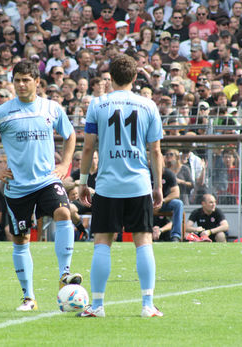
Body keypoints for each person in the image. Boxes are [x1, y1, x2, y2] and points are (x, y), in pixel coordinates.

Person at [0, 60, 82, 311]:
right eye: (17, 80)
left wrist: (65, 163)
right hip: (18, 187)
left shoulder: (51, 108)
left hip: (47, 181)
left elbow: (70, 135)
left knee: (64, 212)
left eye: (26, 80)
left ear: (37, 82)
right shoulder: (2, 112)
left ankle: (64, 274)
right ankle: (29, 297)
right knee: (21, 239)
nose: (21, 85)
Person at [78, 54, 164, 318]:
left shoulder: (98, 104)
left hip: (107, 186)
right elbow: (156, 150)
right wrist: (157, 186)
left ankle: (98, 305)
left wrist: (83, 182)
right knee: (143, 241)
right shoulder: (148, 105)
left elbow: (88, 146)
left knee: (103, 242)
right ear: (135, 77)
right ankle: (147, 305)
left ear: (110, 78)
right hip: (138, 184)